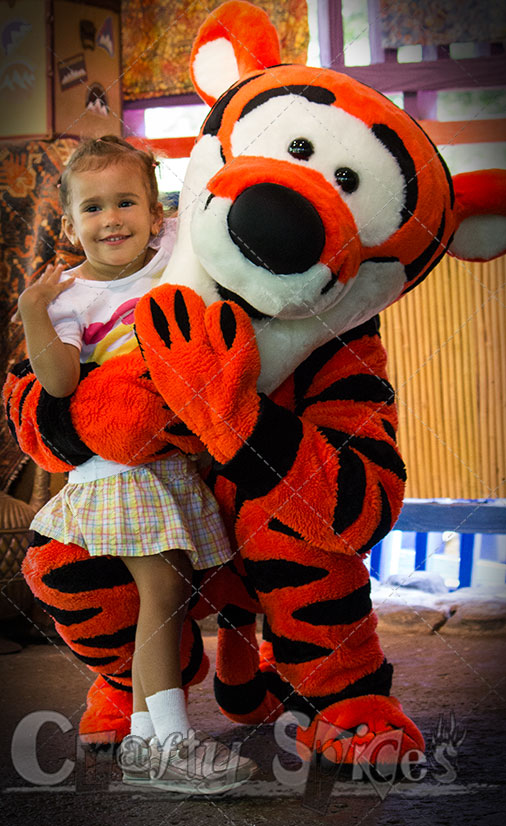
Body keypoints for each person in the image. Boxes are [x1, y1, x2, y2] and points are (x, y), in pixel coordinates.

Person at [17, 135, 256, 794]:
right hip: (115, 473)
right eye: (92, 209)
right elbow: (60, 382)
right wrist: (33, 313)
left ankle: (150, 742)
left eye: (126, 203)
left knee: (173, 595)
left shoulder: (171, 257)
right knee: (163, 597)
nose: (111, 219)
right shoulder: (69, 297)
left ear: (158, 213)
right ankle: (173, 743)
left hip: (168, 467)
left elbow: (214, 207)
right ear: (70, 225)